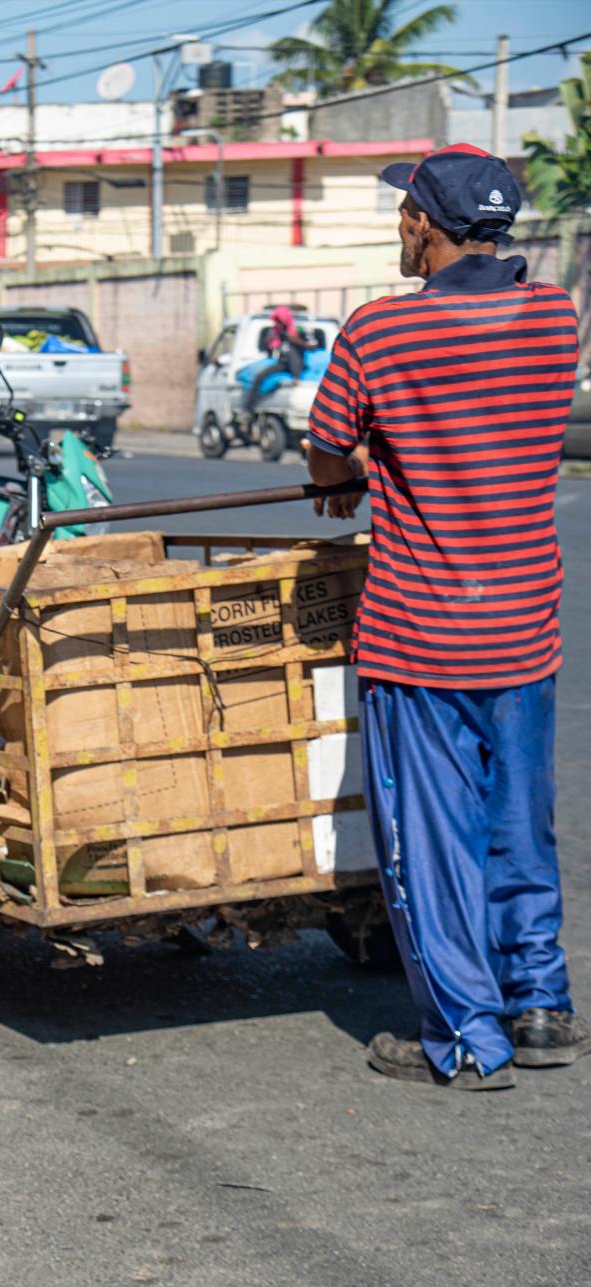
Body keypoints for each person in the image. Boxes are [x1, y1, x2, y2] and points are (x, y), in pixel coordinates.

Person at [306, 145, 582, 1090]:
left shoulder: (380, 334)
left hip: (421, 632)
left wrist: (346, 478)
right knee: (518, 822)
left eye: (403, 212)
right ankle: (542, 1005)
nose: (397, 226)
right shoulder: (555, 318)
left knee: (432, 839)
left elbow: (326, 441)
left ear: (425, 224)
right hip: (525, 623)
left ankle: (468, 1034)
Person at [240, 304, 316, 418]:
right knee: (260, 376)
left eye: (279, 321)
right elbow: (269, 349)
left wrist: (294, 340)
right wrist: (269, 341)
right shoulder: (276, 332)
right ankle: (248, 408)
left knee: (293, 354)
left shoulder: (298, 329)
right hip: (283, 363)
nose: (277, 324)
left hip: (297, 363)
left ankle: (297, 377)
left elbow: (311, 345)